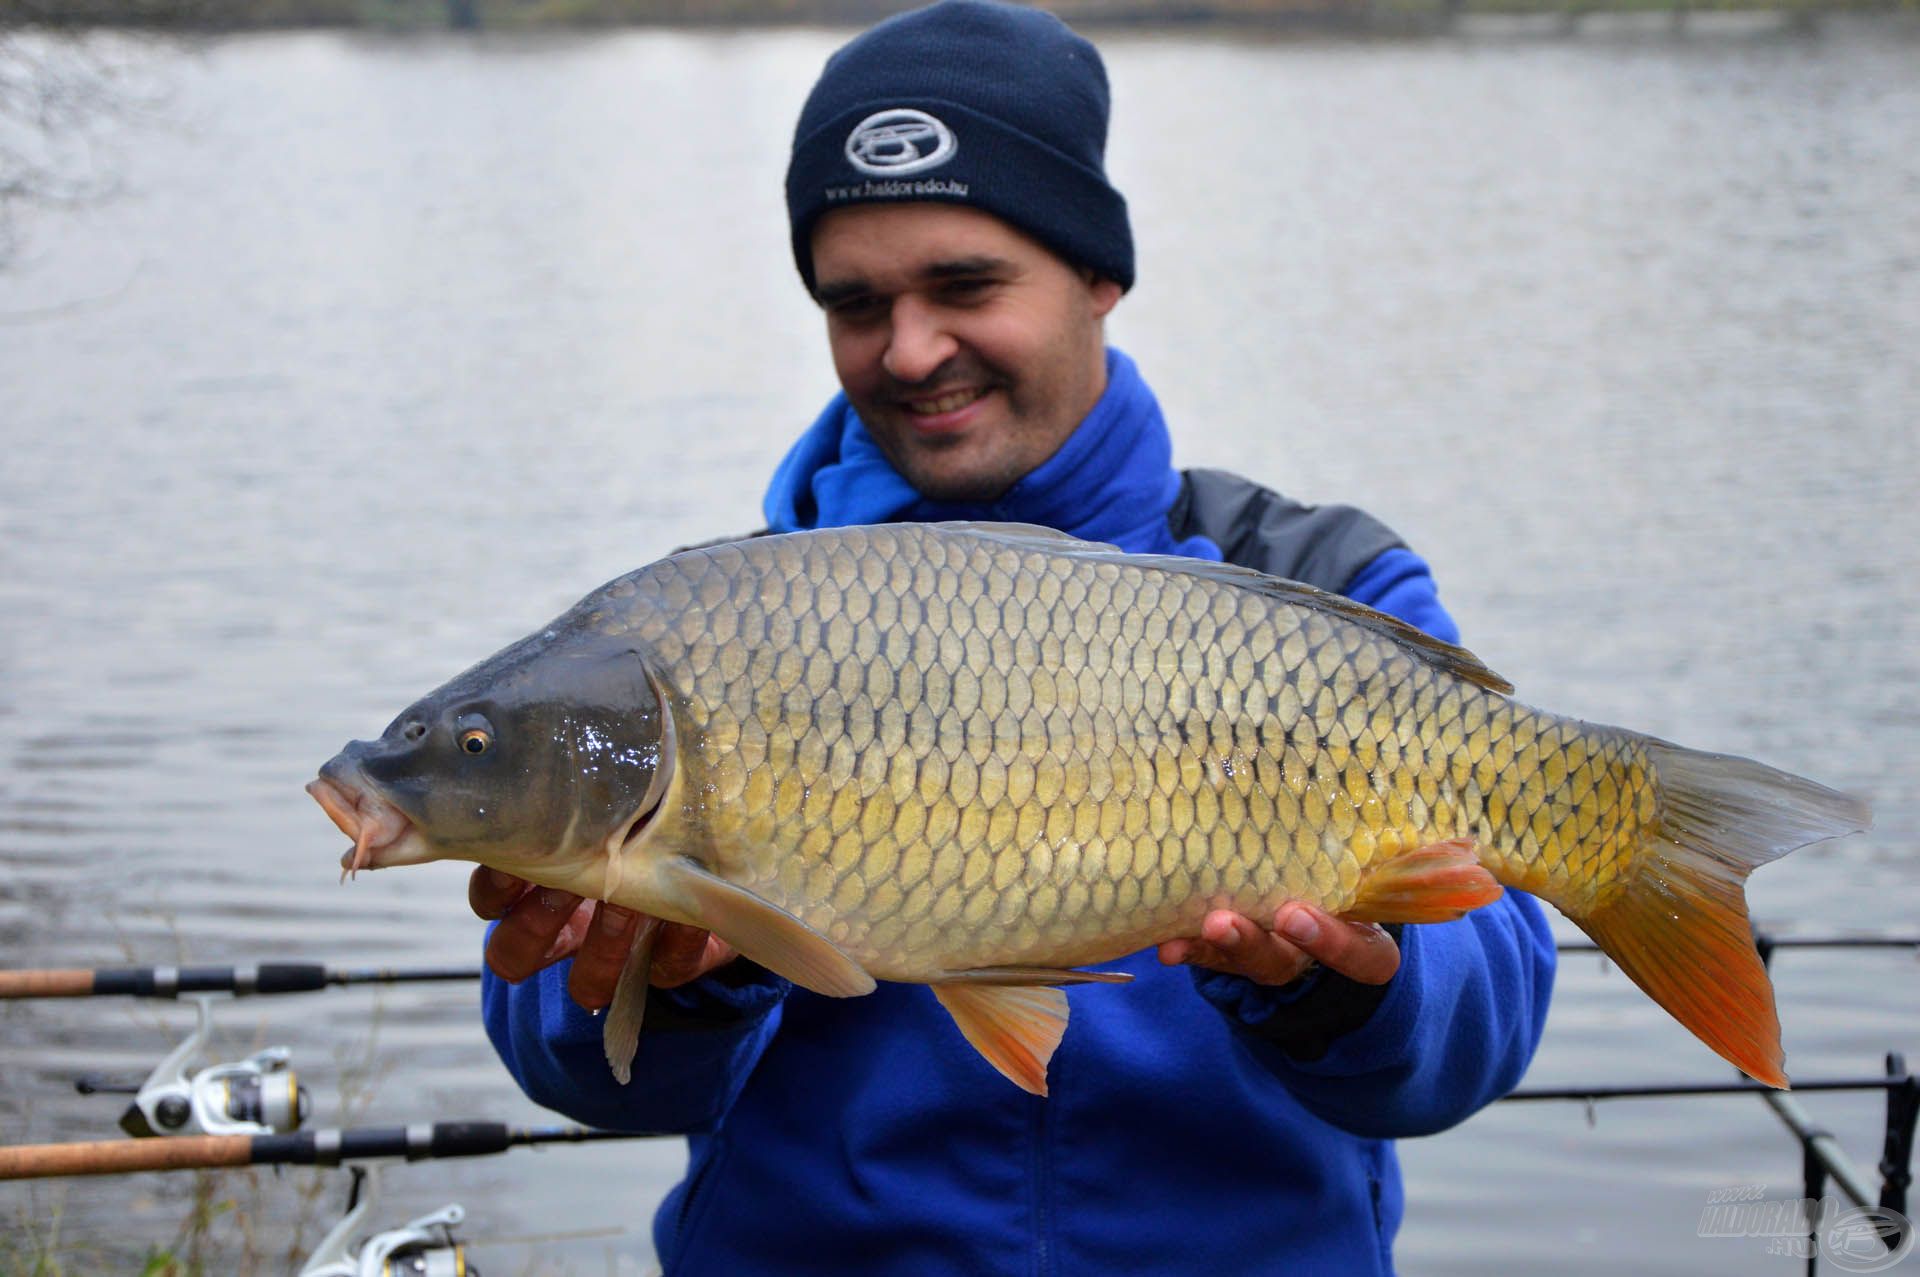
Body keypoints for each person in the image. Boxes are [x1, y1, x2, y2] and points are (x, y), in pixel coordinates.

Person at [472, 3, 1556, 1273]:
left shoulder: (1315, 586)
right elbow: (572, 1063)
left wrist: (1341, 988)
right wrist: (695, 971)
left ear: (1100, 272)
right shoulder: (719, 632)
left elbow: (1481, 1023)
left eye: (966, 285)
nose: (911, 348)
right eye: (856, 301)